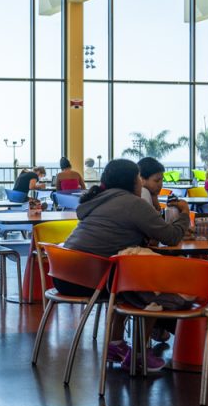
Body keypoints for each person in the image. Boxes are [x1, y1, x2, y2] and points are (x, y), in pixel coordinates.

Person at [63, 159, 191, 371]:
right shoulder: (134, 203)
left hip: (65, 274)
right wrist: (184, 213)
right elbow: (170, 237)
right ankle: (139, 353)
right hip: (90, 278)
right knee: (150, 283)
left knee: (127, 277)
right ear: (133, 181)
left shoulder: (100, 200)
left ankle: (115, 345)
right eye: (139, 179)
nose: (141, 183)